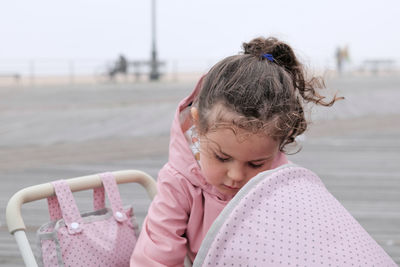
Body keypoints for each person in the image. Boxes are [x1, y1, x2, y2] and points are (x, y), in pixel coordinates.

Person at [130, 36, 342, 266]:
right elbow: (155, 257)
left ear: (282, 140)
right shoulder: (179, 182)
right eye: (222, 157)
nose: (236, 176)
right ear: (198, 124)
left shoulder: (285, 187)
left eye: (256, 164)